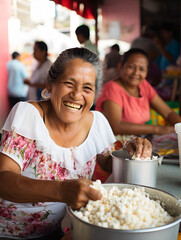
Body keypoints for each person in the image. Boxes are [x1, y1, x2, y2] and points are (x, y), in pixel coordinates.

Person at [0, 47, 152, 239]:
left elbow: (108, 162)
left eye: (87, 88)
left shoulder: (97, 122)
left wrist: (132, 150)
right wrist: (61, 190)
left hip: (61, 231)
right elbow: (3, 180)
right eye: (69, 83)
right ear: (50, 83)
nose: (77, 95)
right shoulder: (28, 115)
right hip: (9, 234)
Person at [95, 48, 181, 144]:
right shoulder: (111, 88)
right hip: (115, 146)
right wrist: (157, 129)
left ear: (146, 72)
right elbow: (116, 126)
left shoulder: (143, 85)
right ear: (120, 67)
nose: (136, 73)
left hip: (138, 143)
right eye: (131, 67)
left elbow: (168, 113)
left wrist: (180, 127)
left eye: (142, 69)